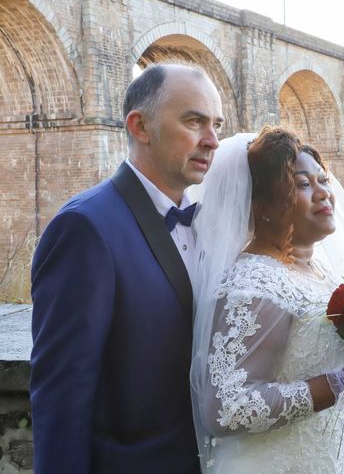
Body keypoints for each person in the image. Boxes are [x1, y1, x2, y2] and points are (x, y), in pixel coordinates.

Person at [30, 63, 225, 473]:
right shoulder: (85, 227)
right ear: (140, 126)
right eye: (194, 121)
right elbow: (61, 392)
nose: (212, 141)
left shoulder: (215, 224)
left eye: (217, 125)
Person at [189, 126, 344, 474]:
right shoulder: (253, 283)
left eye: (323, 179)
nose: (324, 193)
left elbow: (335, 409)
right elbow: (228, 408)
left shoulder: (324, 274)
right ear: (262, 204)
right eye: (302, 184)